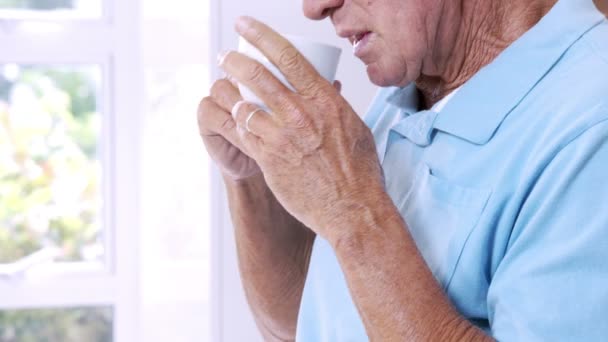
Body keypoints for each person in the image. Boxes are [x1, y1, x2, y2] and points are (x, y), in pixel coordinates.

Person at [197, 0, 608, 340]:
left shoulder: (592, 125)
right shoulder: (409, 88)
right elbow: (303, 323)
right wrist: (251, 174)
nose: (314, 7)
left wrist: (352, 211)